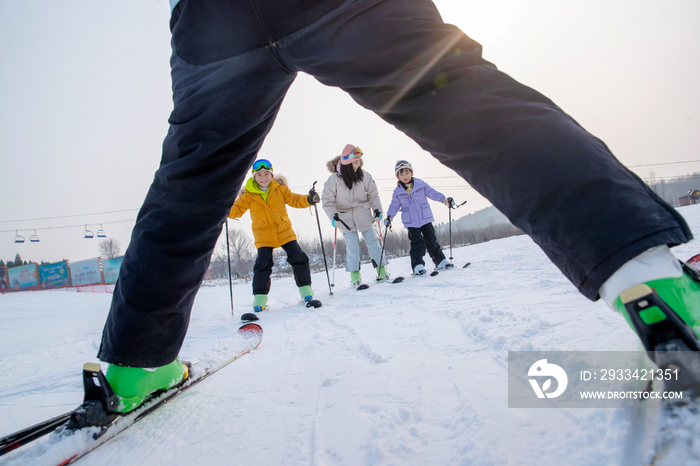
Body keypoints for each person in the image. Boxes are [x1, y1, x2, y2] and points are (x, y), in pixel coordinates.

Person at [96, 0, 699, 414]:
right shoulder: (292, 185)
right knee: (460, 96)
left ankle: (136, 365)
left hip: (210, 20)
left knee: (191, 177)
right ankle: (650, 282)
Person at [228, 159, 321, 313]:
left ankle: (306, 292)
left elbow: (295, 199)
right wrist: (223, 206)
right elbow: (236, 210)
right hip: (263, 235)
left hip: (284, 231)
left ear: (271, 175)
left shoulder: (280, 189)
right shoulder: (248, 195)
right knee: (262, 265)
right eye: (259, 175)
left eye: (266, 174)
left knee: (298, 257)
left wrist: (308, 199)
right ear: (254, 177)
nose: (263, 177)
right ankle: (260, 299)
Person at [321, 144, 388, 287]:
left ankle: (382, 270)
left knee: (372, 241)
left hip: (362, 213)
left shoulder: (364, 176)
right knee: (352, 246)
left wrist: (377, 210)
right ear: (347, 163)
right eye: (355, 162)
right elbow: (327, 201)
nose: (358, 164)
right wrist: (333, 216)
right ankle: (355, 276)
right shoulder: (333, 180)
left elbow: (373, 194)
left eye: (359, 161)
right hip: (344, 218)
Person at [385, 159, 453, 275]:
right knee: (417, 243)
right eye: (401, 174)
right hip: (411, 222)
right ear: (398, 177)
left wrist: (444, 200)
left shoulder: (421, 185)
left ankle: (440, 261)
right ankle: (418, 265)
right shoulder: (398, 192)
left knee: (431, 240)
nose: (405, 176)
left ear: (412, 173)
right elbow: (394, 206)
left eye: (407, 172)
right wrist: (389, 217)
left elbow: (432, 193)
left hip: (425, 218)